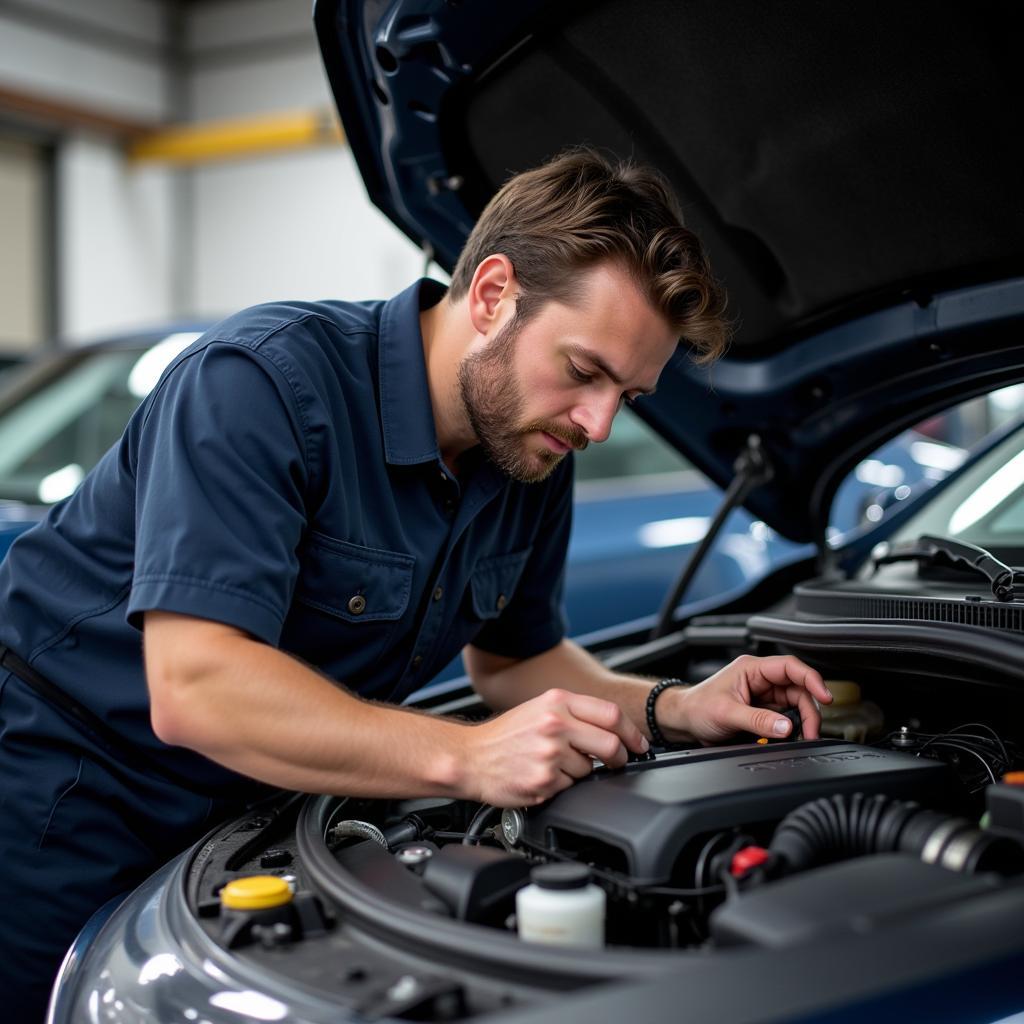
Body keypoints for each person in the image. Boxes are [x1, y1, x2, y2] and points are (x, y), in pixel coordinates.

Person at [0, 149, 831, 1020]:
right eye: (585, 371)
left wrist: (675, 705)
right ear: (491, 295)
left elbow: (516, 664)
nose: (597, 422)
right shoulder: (263, 385)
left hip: (250, 821)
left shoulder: (531, 451)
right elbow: (196, 688)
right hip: (69, 804)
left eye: (629, 394)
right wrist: (468, 756)